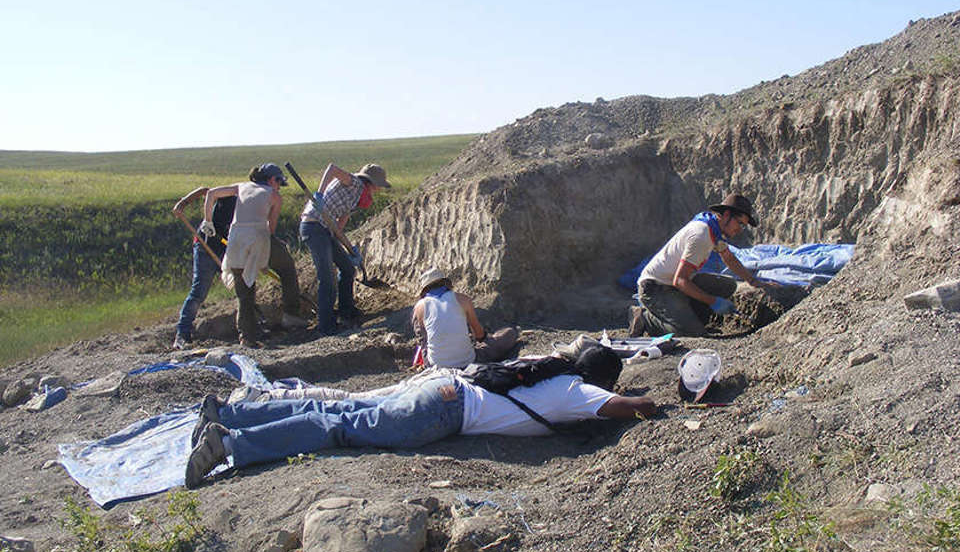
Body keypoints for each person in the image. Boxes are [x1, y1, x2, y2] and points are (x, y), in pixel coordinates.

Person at [184, 347, 657, 488]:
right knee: (338, 427)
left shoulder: (551, 370)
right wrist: (655, 405)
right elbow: (627, 408)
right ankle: (229, 445)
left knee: (336, 406)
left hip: (443, 388)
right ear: (599, 380)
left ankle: (231, 412)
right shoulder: (578, 390)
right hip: (443, 410)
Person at [634, 192, 775, 337]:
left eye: (743, 226)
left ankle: (692, 321)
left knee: (727, 286)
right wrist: (713, 301)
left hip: (673, 284)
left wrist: (753, 281)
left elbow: (729, 258)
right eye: (739, 223)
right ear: (726, 215)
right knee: (691, 334)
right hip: (655, 289)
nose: (740, 230)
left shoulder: (714, 229)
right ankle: (646, 319)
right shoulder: (702, 236)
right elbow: (680, 280)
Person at [201, 164, 309, 348]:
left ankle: (246, 337)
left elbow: (211, 194)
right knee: (287, 268)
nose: (279, 187)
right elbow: (271, 229)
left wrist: (207, 221)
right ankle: (291, 315)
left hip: (235, 241)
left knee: (244, 292)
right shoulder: (274, 196)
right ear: (271, 180)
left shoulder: (242, 187)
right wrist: (266, 257)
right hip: (259, 238)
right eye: (279, 183)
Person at [300, 163, 390, 335]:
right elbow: (332, 169)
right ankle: (326, 326)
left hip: (326, 231)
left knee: (348, 268)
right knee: (327, 279)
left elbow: (338, 230)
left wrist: (350, 250)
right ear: (370, 183)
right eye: (377, 187)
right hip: (313, 226)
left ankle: (346, 311)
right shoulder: (354, 183)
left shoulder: (353, 200)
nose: (377, 191)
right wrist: (319, 193)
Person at [411, 268, 519, 369]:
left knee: (423, 339)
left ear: (425, 289)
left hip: (436, 365)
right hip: (467, 361)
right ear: (445, 283)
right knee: (509, 333)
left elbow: (423, 340)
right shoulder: (463, 299)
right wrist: (485, 338)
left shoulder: (419, 308)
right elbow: (479, 335)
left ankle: (427, 365)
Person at [172, 188, 236, 349]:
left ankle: (251, 325)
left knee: (242, 285)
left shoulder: (255, 206)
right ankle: (182, 333)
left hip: (225, 248)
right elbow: (206, 191)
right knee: (199, 290)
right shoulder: (231, 196)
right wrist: (182, 203)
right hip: (205, 245)